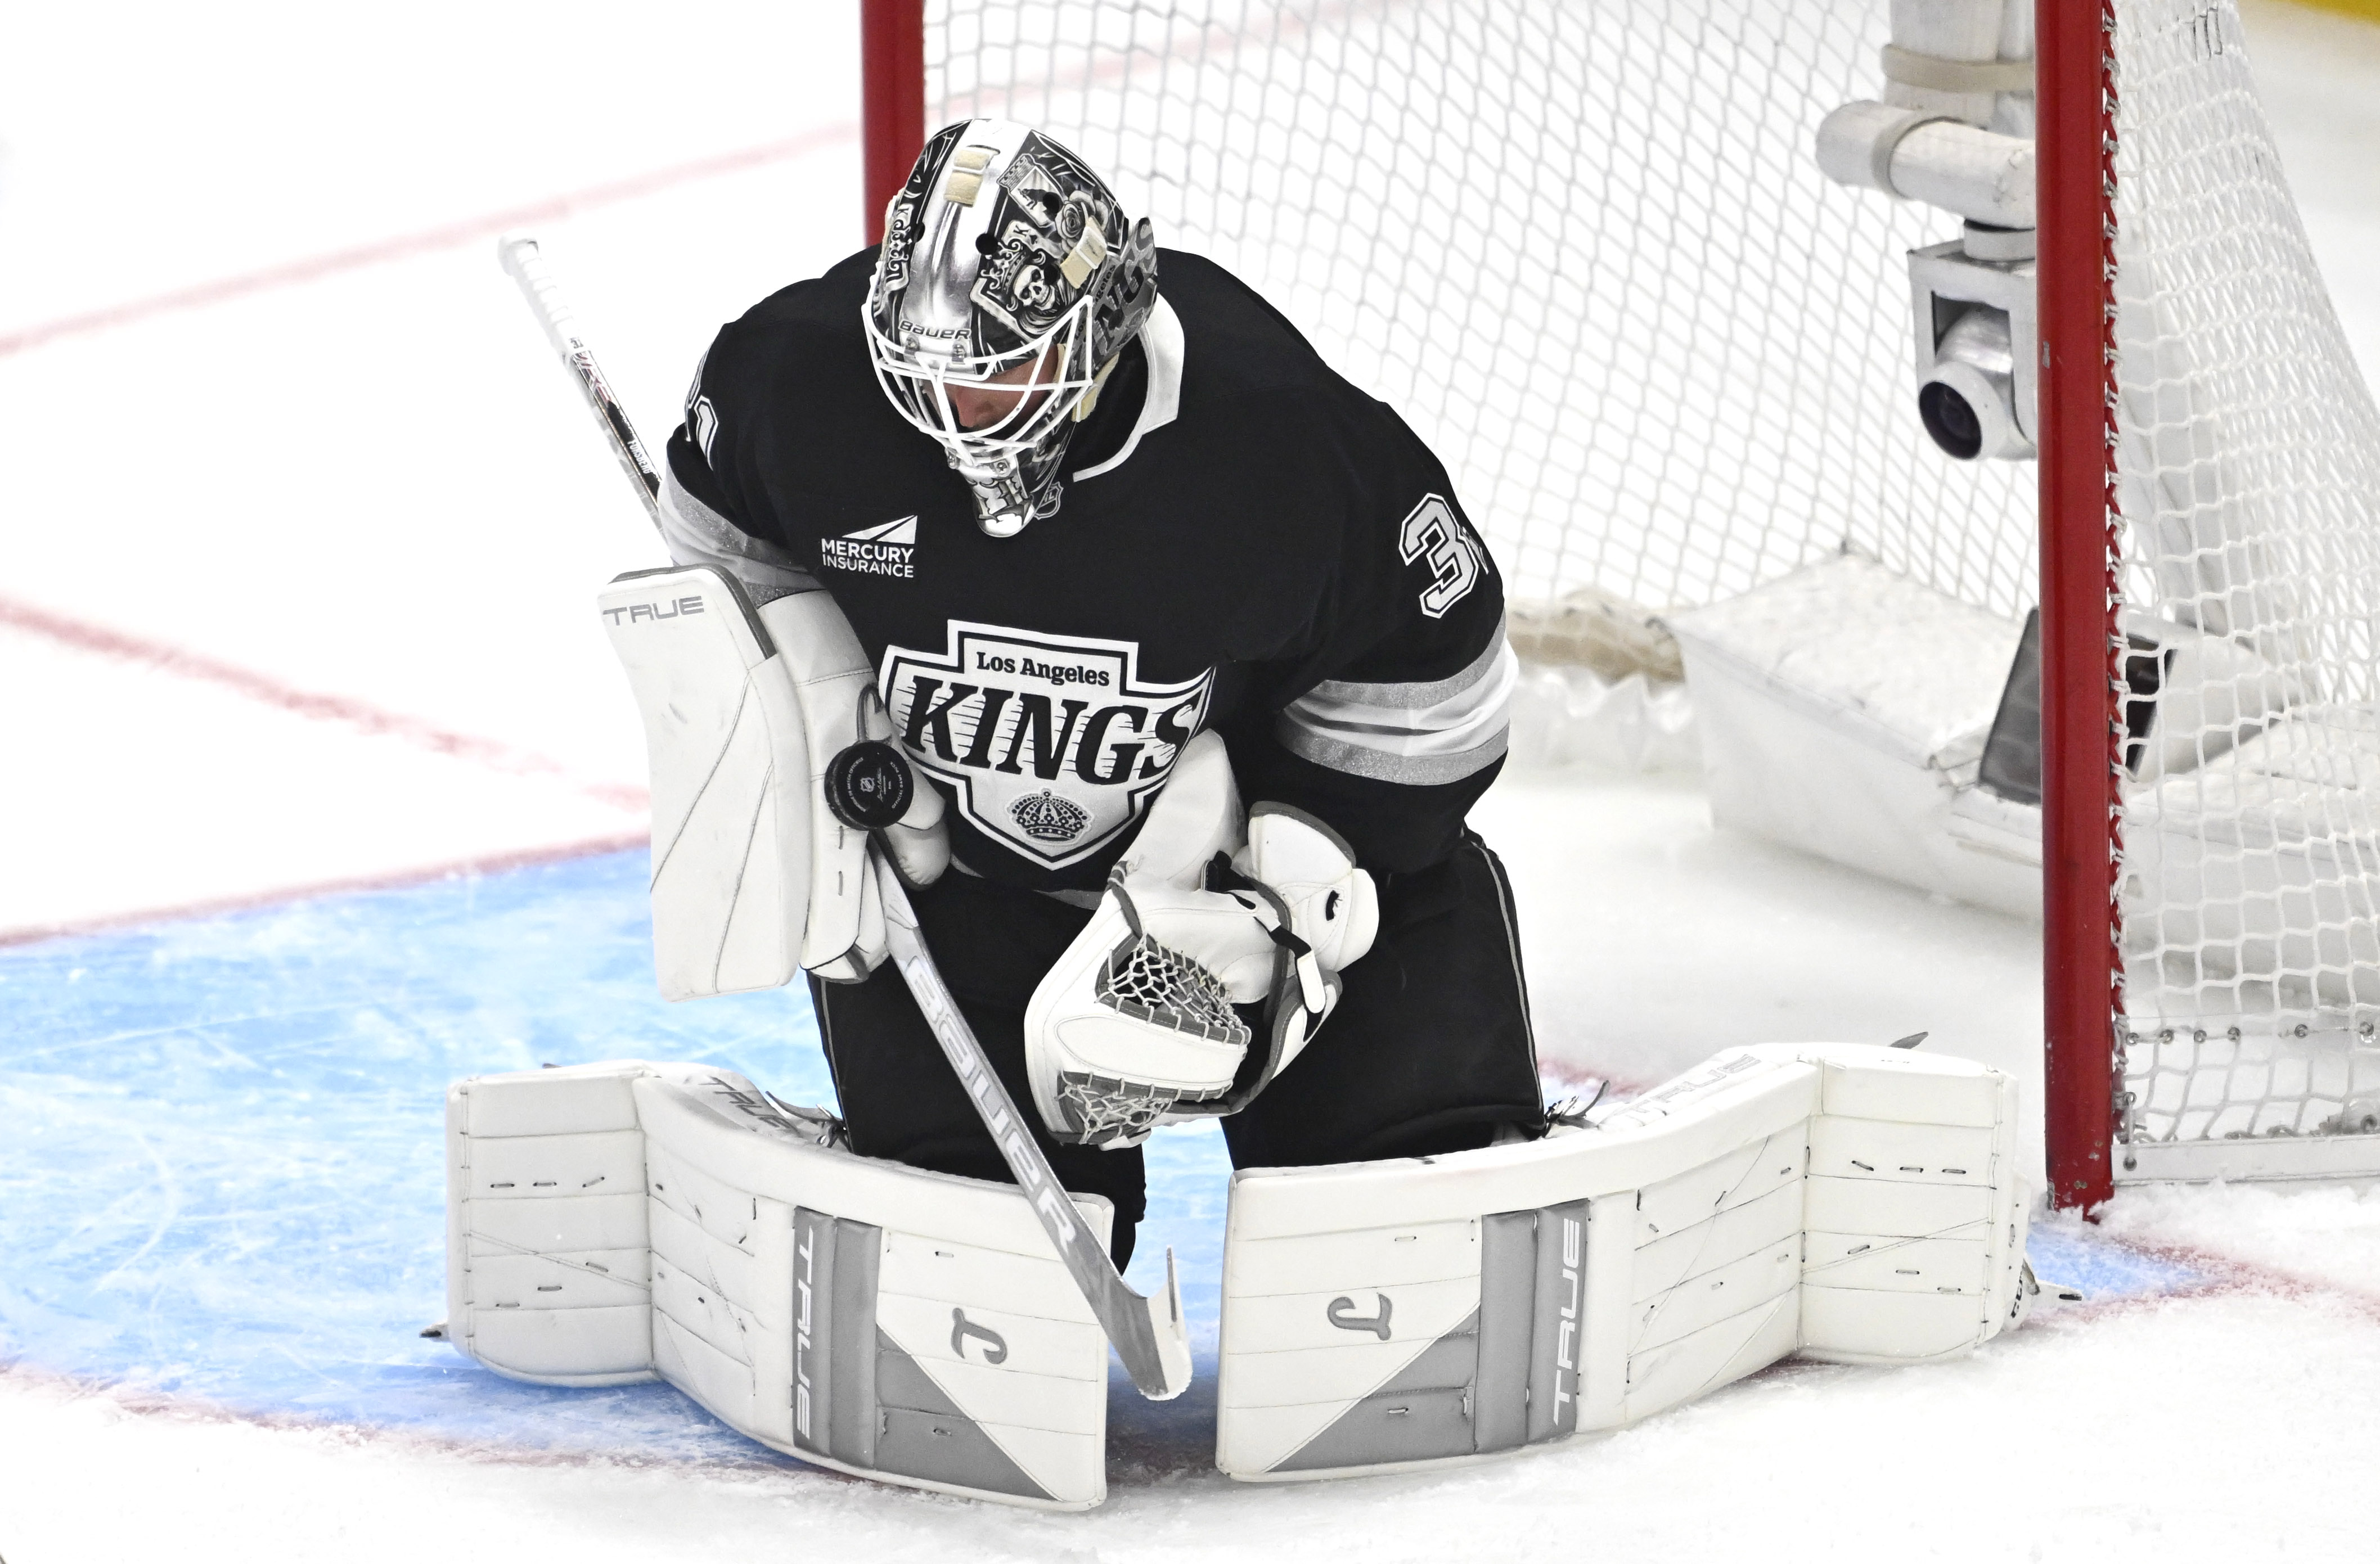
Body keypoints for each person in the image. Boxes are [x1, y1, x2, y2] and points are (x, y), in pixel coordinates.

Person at [655, 118, 1543, 1266]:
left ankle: (1399, 1152)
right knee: (974, 1246)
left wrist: (1306, 857)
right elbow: (726, 544)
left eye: (1005, 371)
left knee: (1398, 1206)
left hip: (1238, 899)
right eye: (928, 377)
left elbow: (1438, 673)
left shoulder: (1275, 440)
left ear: (1103, 322)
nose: (961, 415)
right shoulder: (798, 384)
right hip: (965, 883)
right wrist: (823, 715)